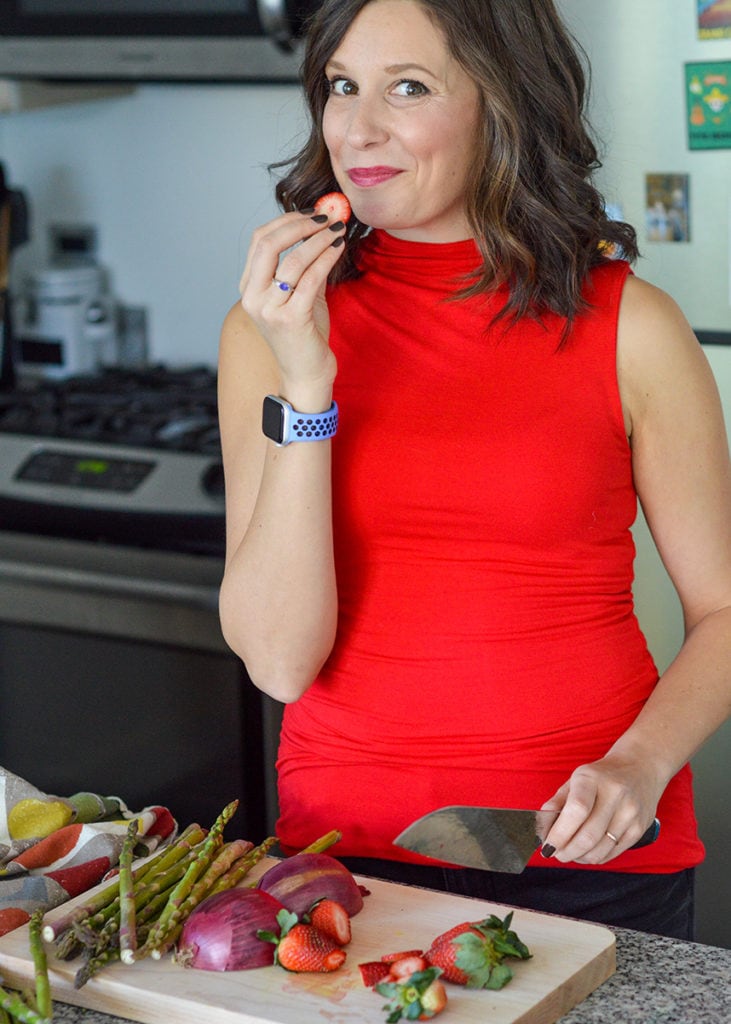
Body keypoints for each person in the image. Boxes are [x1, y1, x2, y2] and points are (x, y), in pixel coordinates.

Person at [217, 0, 731, 940]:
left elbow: (725, 609)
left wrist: (643, 764)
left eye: (408, 88)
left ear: (503, 103)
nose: (356, 129)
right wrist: (308, 381)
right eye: (341, 86)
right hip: (344, 864)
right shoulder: (274, 333)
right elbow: (280, 662)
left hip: (588, 855)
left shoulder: (630, 326)